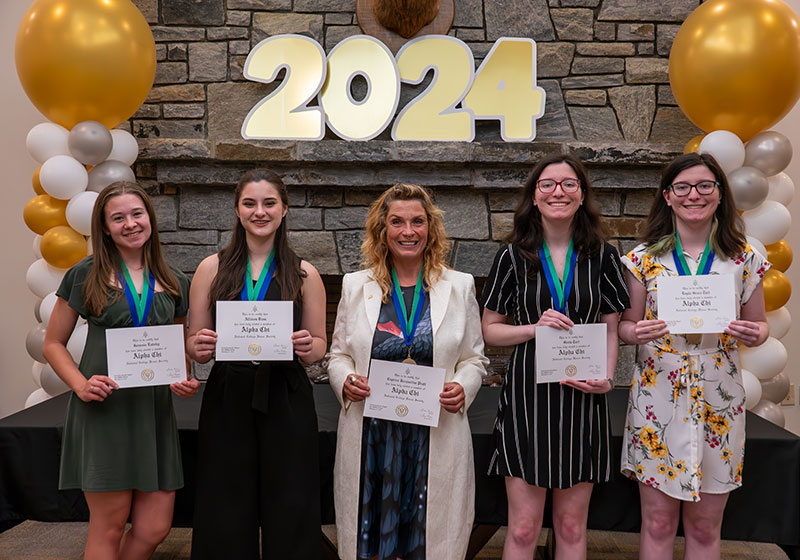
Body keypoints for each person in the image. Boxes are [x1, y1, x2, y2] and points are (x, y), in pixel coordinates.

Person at [618, 152, 770, 559]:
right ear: (667, 196)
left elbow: (760, 326)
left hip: (719, 396)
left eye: (705, 185)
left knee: (705, 526)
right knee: (658, 522)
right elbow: (625, 326)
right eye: (682, 187)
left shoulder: (744, 258)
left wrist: (754, 333)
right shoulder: (642, 259)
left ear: (720, 193)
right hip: (658, 394)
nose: (694, 195)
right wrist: (636, 331)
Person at [481, 154, 630, 559]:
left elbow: (611, 329)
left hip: (583, 400)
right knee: (523, 528)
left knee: (570, 526)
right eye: (547, 184)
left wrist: (607, 378)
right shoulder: (512, 257)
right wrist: (534, 328)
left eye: (569, 184)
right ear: (534, 195)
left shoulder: (604, 256)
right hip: (527, 402)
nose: (558, 192)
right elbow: (490, 330)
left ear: (582, 195)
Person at [327, 183, 488, 560]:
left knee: (429, 542)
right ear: (382, 230)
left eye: (417, 221)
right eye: (397, 222)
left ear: (430, 228)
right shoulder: (355, 286)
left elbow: (475, 359)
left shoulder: (459, 286)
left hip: (435, 434)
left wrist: (463, 387)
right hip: (373, 438)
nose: (408, 231)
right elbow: (338, 355)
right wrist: (345, 380)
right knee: (370, 543)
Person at [42, 181, 198, 560]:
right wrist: (80, 385)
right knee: (109, 527)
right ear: (105, 227)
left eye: (137, 214)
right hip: (104, 412)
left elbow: (178, 344)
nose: (130, 224)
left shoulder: (174, 279)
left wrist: (185, 376)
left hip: (153, 414)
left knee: (154, 528)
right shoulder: (85, 274)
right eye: (118, 218)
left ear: (150, 218)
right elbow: (53, 343)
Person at [187, 169, 327, 559]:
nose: (259, 212)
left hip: (286, 392)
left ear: (284, 209)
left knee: (292, 497)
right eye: (250, 203)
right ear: (237, 210)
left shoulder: (305, 273)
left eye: (269, 203)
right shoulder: (210, 268)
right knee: (225, 497)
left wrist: (307, 346)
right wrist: (199, 346)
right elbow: (194, 342)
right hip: (228, 392)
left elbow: (319, 345)